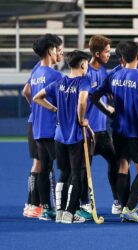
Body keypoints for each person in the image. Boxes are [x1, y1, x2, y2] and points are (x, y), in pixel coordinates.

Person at [92, 41, 138, 223]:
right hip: (137, 131)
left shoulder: (114, 76)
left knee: (122, 166)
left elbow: (94, 96)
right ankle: (129, 208)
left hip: (119, 129)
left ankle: (124, 208)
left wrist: (108, 111)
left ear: (122, 58)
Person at [33, 50, 91, 223]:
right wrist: (82, 120)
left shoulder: (59, 82)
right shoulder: (84, 81)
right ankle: (69, 213)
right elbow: (82, 101)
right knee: (76, 175)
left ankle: (59, 212)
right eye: (86, 63)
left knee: (63, 173)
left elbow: (37, 97)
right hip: (75, 137)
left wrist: (54, 109)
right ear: (82, 64)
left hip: (58, 137)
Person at [77, 35, 120, 219]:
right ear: (96, 53)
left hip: (102, 132)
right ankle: (84, 204)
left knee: (116, 163)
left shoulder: (104, 72)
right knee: (84, 169)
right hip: (87, 131)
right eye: (107, 52)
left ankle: (117, 201)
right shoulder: (85, 73)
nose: (109, 55)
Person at [22, 35, 63, 218]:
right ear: (50, 50)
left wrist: (34, 107)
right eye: (57, 49)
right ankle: (65, 208)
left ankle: (41, 207)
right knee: (66, 168)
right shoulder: (55, 75)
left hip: (37, 126)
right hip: (51, 128)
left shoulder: (36, 72)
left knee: (42, 167)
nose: (59, 52)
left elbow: (27, 92)